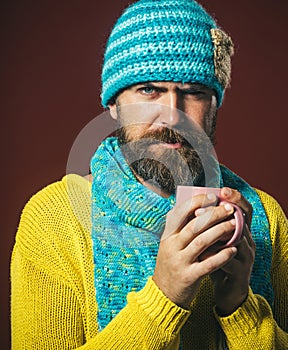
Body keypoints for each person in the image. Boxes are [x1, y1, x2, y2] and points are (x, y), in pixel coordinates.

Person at [10, 0, 287, 349]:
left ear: (215, 104)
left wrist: (241, 306)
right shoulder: (55, 219)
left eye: (193, 92)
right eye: (148, 90)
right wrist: (164, 297)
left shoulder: (265, 220)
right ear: (113, 104)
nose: (172, 115)